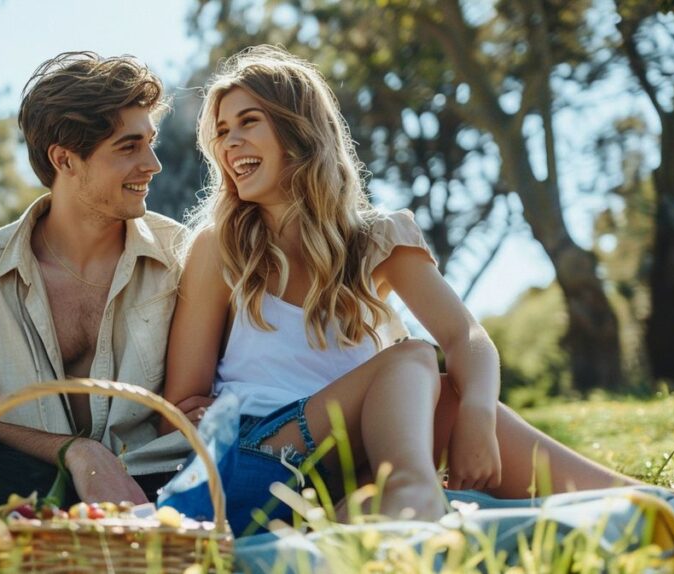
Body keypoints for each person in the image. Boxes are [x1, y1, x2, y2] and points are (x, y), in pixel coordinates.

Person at [162, 45, 637, 522]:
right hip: (259, 461)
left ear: (298, 128)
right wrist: (201, 413)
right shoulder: (222, 247)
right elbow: (184, 401)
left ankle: (649, 505)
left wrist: (478, 414)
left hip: (352, 463)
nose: (230, 143)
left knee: (450, 392)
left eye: (248, 122)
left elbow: (465, 337)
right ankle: (413, 492)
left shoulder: (376, 240)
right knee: (412, 355)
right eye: (222, 131)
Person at [0, 52, 200, 520]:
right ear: (65, 159)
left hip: (155, 479)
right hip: (35, 482)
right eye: (128, 147)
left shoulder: (182, 257)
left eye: (150, 143)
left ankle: (88, 528)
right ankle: (71, 524)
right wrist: (79, 453)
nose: (152, 164)